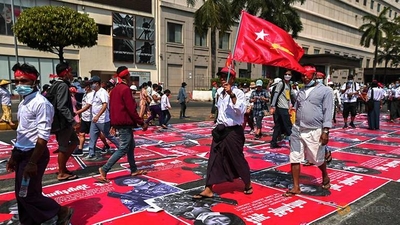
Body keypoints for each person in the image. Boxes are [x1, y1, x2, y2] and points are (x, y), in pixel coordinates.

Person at [6, 63, 74, 225]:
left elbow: (42, 138)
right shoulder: (23, 103)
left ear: (34, 82)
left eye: (24, 81)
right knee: (21, 194)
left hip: (33, 155)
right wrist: (14, 156)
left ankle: (61, 211)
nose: (19, 85)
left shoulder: (41, 104)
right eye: (17, 81)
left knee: (27, 195)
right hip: (22, 153)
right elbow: (22, 133)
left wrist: (31, 163)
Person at [193, 66, 253, 200]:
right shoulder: (219, 92)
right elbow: (219, 110)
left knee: (236, 158)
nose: (221, 79)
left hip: (233, 132)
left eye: (225, 76)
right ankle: (208, 188)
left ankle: (247, 183)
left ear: (232, 79)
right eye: (220, 76)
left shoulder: (239, 93)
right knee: (214, 158)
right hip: (220, 130)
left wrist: (231, 94)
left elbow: (240, 111)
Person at [283, 65, 333, 197]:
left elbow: (328, 111)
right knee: (295, 157)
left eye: (307, 75)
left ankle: (325, 175)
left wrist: (325, 131)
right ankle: (296, 186)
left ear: (314, 75)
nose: (304, 78)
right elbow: (297, 106)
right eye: (302, 75)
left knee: (316, 159)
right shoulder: (301, 91)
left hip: (315, 130)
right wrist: (292, 110)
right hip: (298, 129)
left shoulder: (326, 91)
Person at [98, 66, 148, 181]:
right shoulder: (125, 89)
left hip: (119, 122)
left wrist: (113, 124)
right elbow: (131, 109)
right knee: (124, 148)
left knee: (131, 147)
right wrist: (141, 122)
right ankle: (104, 169)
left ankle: (134, 169)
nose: (130, 77)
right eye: (129, 75)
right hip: (125, 123)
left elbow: (112, 108)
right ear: (126, 76)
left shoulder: (115, 90)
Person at [47, 62, 79, 181]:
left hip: (61, 121)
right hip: (63, 122)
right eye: (70, 72)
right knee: (63, 146)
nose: (72, 74)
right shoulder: (62, 86)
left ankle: (63, 167)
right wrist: (72, 120)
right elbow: (62, 106)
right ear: (66, 73)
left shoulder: (56, 84)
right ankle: (61, 172)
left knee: (75, 141)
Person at [85, 75, 120, 160]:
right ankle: (91, 154)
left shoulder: (103, 92)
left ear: (97, 84)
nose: (91, 85)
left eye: (92, 83)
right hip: (95, 120)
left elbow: (105, 105)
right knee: (92, 137)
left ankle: (121, 147)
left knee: (108, 135)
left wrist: (98, 116)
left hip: (103, 120)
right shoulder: (94, 93)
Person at [73, 81, 109, 156]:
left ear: (88, 86)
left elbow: (88, 105)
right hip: (84, 117)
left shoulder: (92, 94)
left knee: (98, 134)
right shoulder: (86, 94)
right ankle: (80, 149)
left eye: (84, 87)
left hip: (91, 118)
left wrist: (78, 112)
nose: (83, 88)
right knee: (81, 133)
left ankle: (106, 145)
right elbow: (84, 104)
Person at [269, 71, 294, 148]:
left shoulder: (289, 85)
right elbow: (276, 95)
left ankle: (273, 143)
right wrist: (273, 106)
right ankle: (293, 143)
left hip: (285, 107)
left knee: (278, 126)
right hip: (281, 108)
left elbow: (292, 95)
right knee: (288, 126)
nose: (287, 76)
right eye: (286, 74)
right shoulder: (281, 84)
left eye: (289, 74)